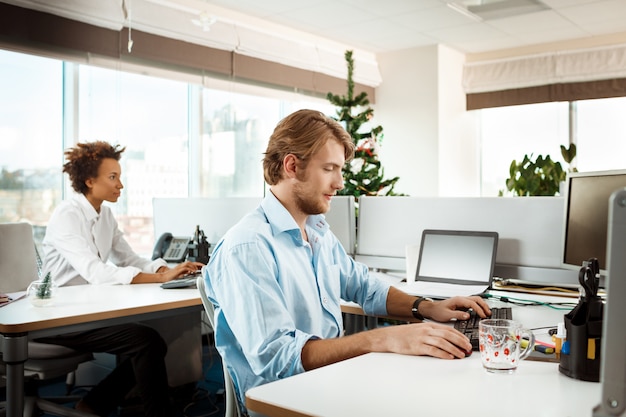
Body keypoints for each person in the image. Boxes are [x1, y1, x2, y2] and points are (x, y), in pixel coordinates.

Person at [204, 109, 493, 415]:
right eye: (329, 169)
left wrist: (426, 307)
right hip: (285, 401)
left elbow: (364, 287)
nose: (340, 182)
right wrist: (384, 338)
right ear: (291, 165)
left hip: (332, 381)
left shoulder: (316, 232)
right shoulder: (248, 247)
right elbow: (279, 359)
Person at [39, 141, 204, 417]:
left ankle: (95, 402)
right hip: (58, 317)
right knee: (147, 342)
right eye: (113, 177)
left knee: (151, 341)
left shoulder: (105, 215)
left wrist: (165, 271)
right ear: (89, 181)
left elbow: (129, 259)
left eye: (119, 177)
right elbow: (96, 272)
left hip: (88, 310)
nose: (121, 185)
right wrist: (155, 277)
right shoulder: (67, 215)